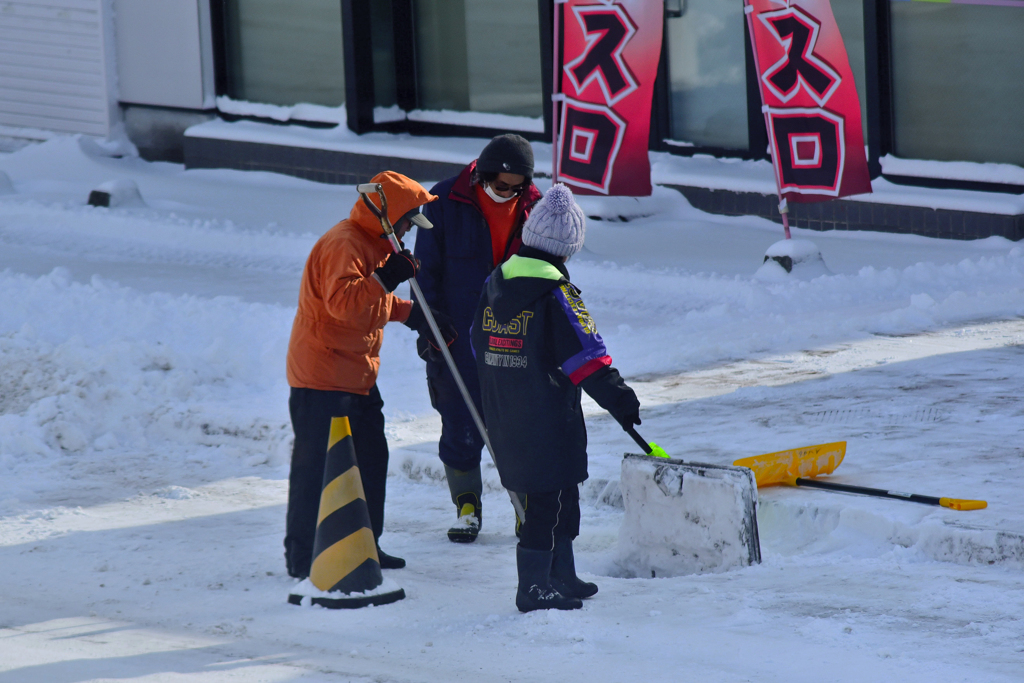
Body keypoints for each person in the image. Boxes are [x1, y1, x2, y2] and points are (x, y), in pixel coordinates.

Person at [470, 184, 641, 612]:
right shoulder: (556, 295)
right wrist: (621, 400)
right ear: (568, 248)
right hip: (546, 414)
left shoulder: (495, 283)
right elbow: (587, 359)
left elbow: (477, 341)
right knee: (546, 500)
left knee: (560, 492)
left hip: (504, 408)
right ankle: (532, 586)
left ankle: (561, 573)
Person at [284, 170, 446, 579]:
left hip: (356, 376)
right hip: (322, 376)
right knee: (316, 471)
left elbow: (370, 300)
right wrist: (388, 277)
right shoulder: (345, 243)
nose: (409, 232)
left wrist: (415, 316)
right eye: (408, 223)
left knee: (370, 462)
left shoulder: (373, 245)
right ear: (389, 217)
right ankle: (302, 556)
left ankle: (364, 546)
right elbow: (344, 303)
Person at [415, 134, 543, 543]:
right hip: (456, 334)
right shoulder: (444, 201)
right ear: (482, 176)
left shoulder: (535, 209)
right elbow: (424, 271)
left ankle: (526, 507)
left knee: (519, 426)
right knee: (459, 422)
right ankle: (467, 506)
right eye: (500, 186)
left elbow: (547, 271)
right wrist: (429, 324)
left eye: (516, 188)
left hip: (514, 335)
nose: (507, 194)